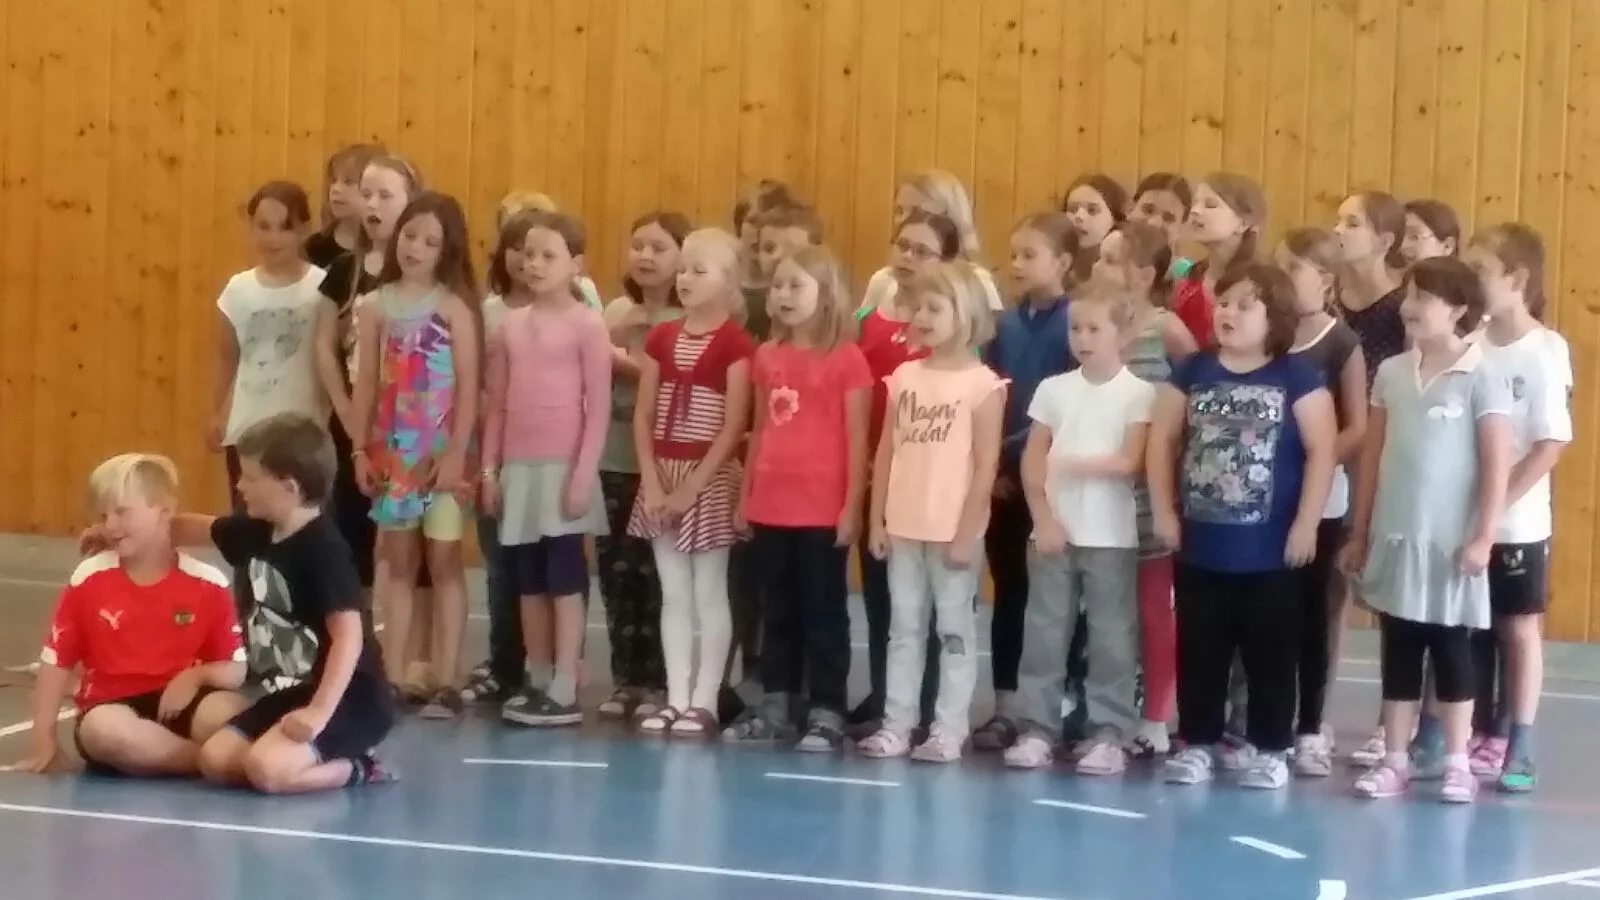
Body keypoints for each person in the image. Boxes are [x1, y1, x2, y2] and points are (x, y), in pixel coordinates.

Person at [1148, 264, 1337, 791]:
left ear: (1274, 317)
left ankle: (1273, 746)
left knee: (1272, 653)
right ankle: (1198, 742)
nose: (1228, 313)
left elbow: (1322, 452)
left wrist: (1306, 524)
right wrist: (1164, 511)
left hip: (1271, 552)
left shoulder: (1297, 377)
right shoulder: (1193, 371)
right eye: (1224, 303)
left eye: (1245, 305)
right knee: (1200, 649)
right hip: (1202, 547)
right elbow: (1162, 441)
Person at [1343, 257, 1511, 804]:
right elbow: (1373, 456)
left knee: (1452, 651)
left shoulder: (1483, 375)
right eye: (1409, 295)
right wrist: (1361, 532)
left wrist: (1483, 536)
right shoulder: (1392, 372)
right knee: (1399, 649)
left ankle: (1458, 763)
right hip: (1397, 537)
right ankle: (1395, 759)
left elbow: (1496, 465)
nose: (1410, 307)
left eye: (1424, 297)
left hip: (1449, 546)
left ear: (1459, 309)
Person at [18, 454, 247, 777]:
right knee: (103, 731)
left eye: (122, 512)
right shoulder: (90, 578)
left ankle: (213, 756)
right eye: (103, 515)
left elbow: (235, 670)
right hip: (112, 707)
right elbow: (56, 661)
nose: (110, 526)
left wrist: (194, 677)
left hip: (182, 703)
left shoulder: (207, 583)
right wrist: (44, 740)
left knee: (227, 712)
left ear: (165, 510)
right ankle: (210, 761)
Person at [859, 261, 1006, 763]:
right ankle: (897, 724)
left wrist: (967, 532)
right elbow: (886, 451)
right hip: (904, 526)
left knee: (955, 631)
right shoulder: (903, 377)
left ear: (965, 314)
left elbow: (986, 465)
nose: (921, 317)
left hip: (952, 532)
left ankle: (948, 727)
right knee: (903, 629)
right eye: (917, 307)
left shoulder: (983, 385)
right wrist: (876, 520)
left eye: (934, 308)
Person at [724, 246, 869, 750]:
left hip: (821, 510)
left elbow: (856, 440)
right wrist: (746, 496)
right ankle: (776, 704)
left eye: (795, 285)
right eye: (778, 286)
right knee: (777, 609)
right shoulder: (766, 356)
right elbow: (760, 430)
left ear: (825, 295)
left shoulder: (847, 360)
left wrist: (851, 507)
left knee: (823, 611)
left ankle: (827, 708)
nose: (783, 295)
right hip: (771, 505)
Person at [1006, 285, 1154, 774]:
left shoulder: (1138, 394)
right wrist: (1043, 518)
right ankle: (1037, 728)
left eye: (1094, 329)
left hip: (1111, 536)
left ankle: (1109, 733)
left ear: (1123, 334)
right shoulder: (1053, 390)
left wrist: (1070, 462)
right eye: (1075, 328)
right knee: (1045, 632)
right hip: (1054, 533)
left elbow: (1129, 461)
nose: (1083, 338)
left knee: (1113, 636)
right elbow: (1032, 461)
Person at [349, 191, 481, 718]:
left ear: (446, 251)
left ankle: (447, 678)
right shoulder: (375, 307)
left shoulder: (453, 309)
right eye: (409, 235)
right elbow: (365, 385)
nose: (415, 248)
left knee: (444, 563)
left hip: (441, 455)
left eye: (430, 241)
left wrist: (455, 454)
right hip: (393, 455)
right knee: (398, 563)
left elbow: (468, 387)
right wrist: (360, 449)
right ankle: (397, 673)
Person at [482, 210, 612, 726]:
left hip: (564, 469)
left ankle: (564, 681)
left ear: (575, 264)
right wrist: (490, 471)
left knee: (564, 575)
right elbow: (496, 406)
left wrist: (582, 475)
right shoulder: (509, 326)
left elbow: (598, 407)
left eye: (548, 256)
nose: (534, 264)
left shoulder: (587, 325)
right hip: (519, 469)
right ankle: (535, 676)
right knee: (528, 578)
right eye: (529, 254)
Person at [627, 228, 755, 737]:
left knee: (709, 592)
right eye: (683, 269)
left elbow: (732, 426)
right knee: (673, 593)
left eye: (699, 271)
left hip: (708, 480)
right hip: (663, 473)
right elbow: (643, 416)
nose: (684, 278)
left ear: (729, 281)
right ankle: (676, 696)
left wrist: (691, 488)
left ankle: (705, 699)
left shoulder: (735, 345)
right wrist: (654, 482)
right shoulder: (661, 338)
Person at [973, 212, 1077, 753]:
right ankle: (1007, 704)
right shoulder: (1004, 325)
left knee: (1057, 598)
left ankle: (1058, 705)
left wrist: (1032, 457)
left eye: (1029, 255)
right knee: (1010, 588)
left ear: (1063, 262)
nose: (1016, 264)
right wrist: (992, 465)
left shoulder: (1075, 323)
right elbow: (991, 393)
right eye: (1012, 254)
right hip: (1005, 480)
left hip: (1056, 478)